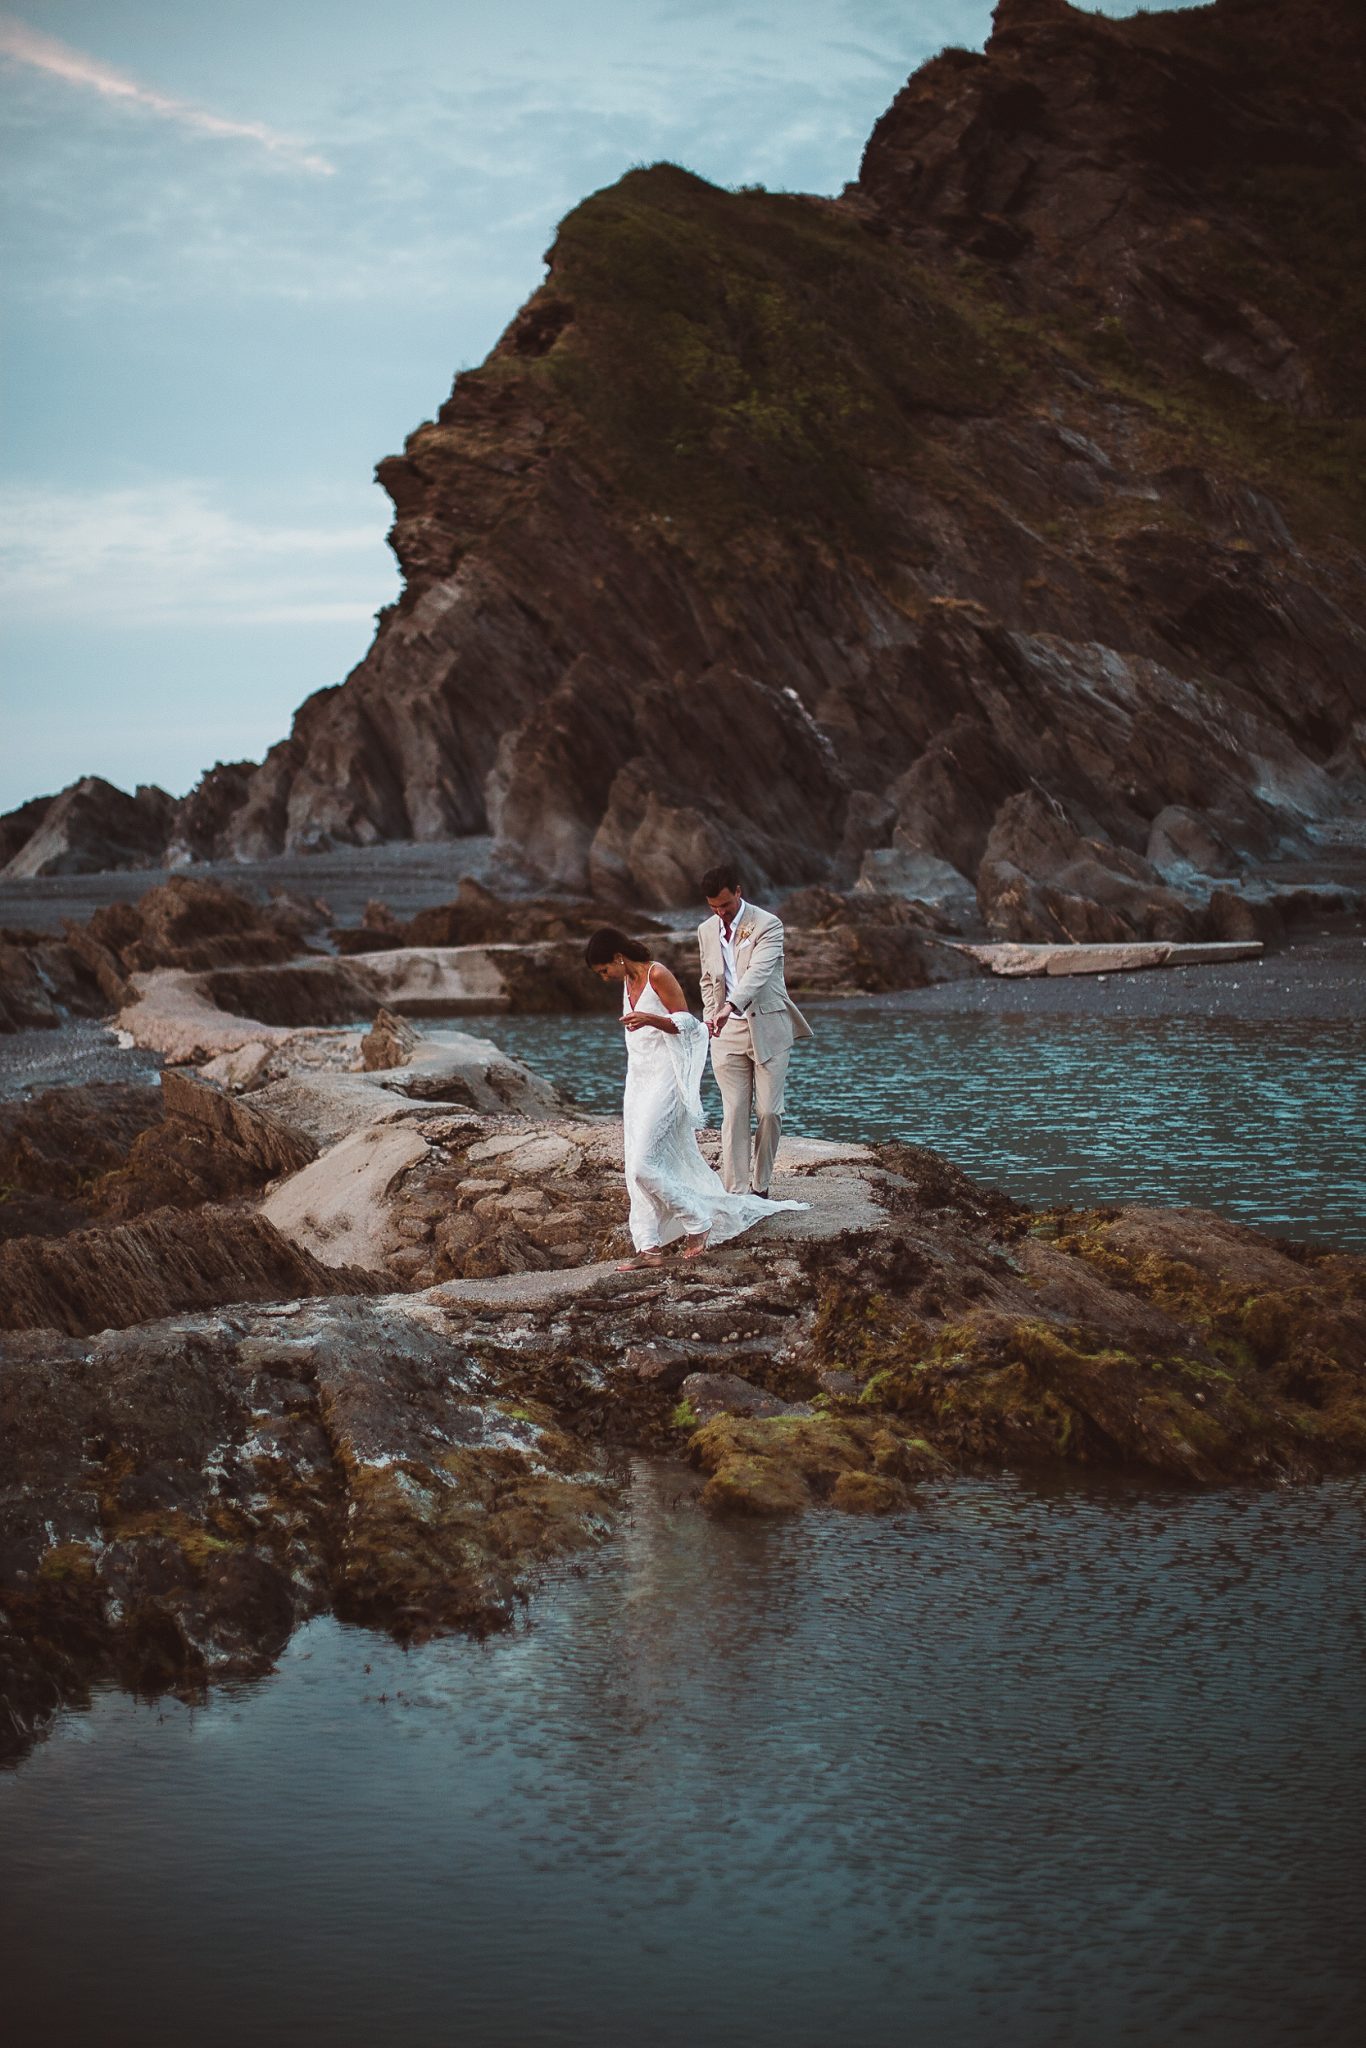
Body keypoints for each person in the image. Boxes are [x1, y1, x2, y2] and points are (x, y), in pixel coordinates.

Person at [585, 927, 805, 1270]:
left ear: (618, 957)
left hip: (666, 1080)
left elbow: (689, 1023)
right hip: (638, 1081)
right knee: (633, 1168)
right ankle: (648, 1247)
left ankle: (697, 1221)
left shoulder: (656, 973)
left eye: (604, 971)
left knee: (645, 1166)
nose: (604, 978)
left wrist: (651, 1019)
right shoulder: (627, 982)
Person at [696, 864, 812, 1198]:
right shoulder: (706, 930)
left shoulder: (768, 924)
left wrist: (730, 1006)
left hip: (768, 1027)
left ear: (738, 892)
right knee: (733, 1113)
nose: (722, 913)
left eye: (726, 905)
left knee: (768, 1112)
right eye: (714, 908)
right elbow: (708, 979)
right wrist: (711, 1015)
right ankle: (736, 1191)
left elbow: (758, 974)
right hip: (725, 1033)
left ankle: (761, 1186)